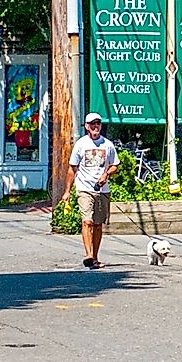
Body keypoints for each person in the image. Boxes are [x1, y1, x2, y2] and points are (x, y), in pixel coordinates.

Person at [69, 113, 119, 266]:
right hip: (84, 188)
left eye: (97, 123)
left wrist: (106, 174)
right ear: (86, 127)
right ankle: (88, 254)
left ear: (101, 126)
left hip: (102, 190)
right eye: (92, 124)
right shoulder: (81, 144)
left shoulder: (108, 145)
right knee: (87, 221)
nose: (95, 126)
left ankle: (95, 257)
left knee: (98, 224)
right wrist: (66, 191)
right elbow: (72, 168)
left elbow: (115, 165)